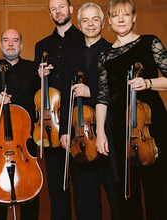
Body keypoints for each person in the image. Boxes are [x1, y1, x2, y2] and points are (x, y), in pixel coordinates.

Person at [95, 0, 167, 219]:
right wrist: (99, 132)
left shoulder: (150, 42)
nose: (121, 19)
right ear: (109, 21)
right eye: (115, 16)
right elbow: (102, 97)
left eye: (125, 15)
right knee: (127, 191)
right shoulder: (104, 56)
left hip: (150, 125)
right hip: (119, 129)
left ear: (134, 17)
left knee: (158, 186)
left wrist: (148, 83)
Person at [58, 3, 120, 220]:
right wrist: (65, 130)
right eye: (85, 20)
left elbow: (119, 94)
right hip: (80, 135)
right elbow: (66, 94)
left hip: (108, 134)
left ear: (103, 23)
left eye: (95, 19)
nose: (90, 24)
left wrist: (91, 92)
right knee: (85, 199)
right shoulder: (71, 54)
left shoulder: (114, 51)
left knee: (116, 196)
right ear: (79, 24)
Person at [0, 29, 40, 220]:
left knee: (29, 189)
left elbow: (40, 94)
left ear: (21, 45)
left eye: (15, 40)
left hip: (25, 137)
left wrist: (43, 77)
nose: (10, 44)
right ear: (0, 44)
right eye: (6, 40)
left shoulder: (31, 67)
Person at [33, 0, 84, 219]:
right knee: (57, 189)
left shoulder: (85, 38)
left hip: (78, 121)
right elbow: (36, 92)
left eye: (62, 6)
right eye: (53, 8)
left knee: (84, 189)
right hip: (51, 126)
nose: (57, 11)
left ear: (71, 10)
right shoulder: (41, 45)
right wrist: (40, 76)